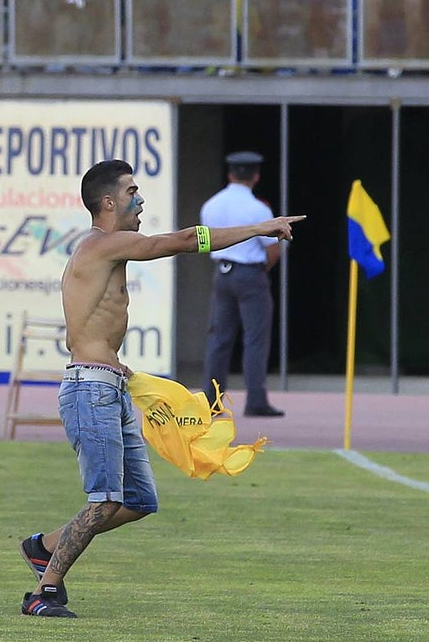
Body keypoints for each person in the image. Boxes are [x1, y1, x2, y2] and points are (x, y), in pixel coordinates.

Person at [19, 159, 303, 618]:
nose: (141, 198)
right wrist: (261, 228)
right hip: (89, 390)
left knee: (139, 502)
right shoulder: (102, 245)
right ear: (108, 202)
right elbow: (187, 240)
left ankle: (44, 547)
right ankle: (44, 592)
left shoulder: (109, 249)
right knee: (106, 499)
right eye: (132, 190)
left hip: (112, 386)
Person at [201, 151, 286, 417]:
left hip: (222, 273)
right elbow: (273, 248)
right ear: (256, 176)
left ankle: (211, 401)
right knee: (255, 339)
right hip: (250, 274)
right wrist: (260, 270)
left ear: (230, 174)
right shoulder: (258, 209)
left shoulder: (211, 205)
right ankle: (256, 400)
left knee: (219, 339)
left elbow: (206, 241)